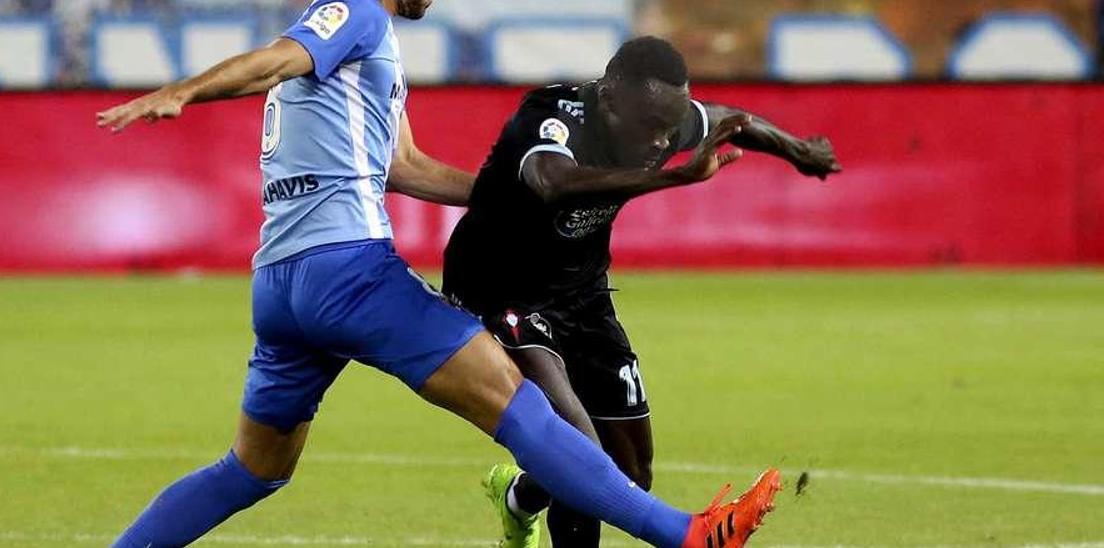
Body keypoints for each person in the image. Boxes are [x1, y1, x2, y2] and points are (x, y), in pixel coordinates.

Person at [96, 1, 781, 545]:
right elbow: (275, 61)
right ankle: (688, 535)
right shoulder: (356, 13)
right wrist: (183, 92)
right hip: (350, 275)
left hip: (279, 284)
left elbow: (404, 167)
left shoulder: (364, 52)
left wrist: (507, 200)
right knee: (519, 403)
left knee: (253, 469)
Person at [443, 36, 841, 548]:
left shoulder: (660, 118)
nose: (660, 142)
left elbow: (730, 119)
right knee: (578, 452)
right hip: (501, 290)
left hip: (581, 294)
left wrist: (800, 151)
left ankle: (519, 498)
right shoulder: (551, 116)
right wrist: (676, 179)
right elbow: (551, 181)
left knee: (632, 470)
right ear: (609, 99)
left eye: (670, 129)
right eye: (652, 127)